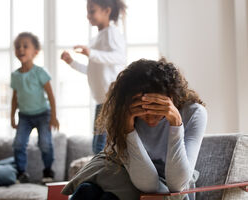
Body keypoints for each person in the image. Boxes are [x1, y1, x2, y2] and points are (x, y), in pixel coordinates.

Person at [61, 58, 208, 200]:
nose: (150, 119)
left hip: (163, 185)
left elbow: (177, 185)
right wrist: (128, 129)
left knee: (107, 196)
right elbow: (146, 181)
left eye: (156, 109)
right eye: (143, 111)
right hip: (125, 172)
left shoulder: (194, 113)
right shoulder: (125, 112)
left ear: (171, 97)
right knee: (88, 191)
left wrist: (176, 125)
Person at [61, 0, 127, 154]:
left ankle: (99, 175)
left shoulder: (112, 32)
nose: (88, 16)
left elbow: (120, 57)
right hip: (101, 100)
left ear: (106, 11)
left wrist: (91, 53)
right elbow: (92, 70)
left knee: (100, 145)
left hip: (112, 98)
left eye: (92, 11)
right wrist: (71, 62)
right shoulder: (96, 39)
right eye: (88, 11)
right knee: (98, 145)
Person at [10, 32, 59, 184]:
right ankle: (21, 173)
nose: (21, 49)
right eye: (18, 47)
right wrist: (12, 116)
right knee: (18, 144)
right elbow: (14, 98)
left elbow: (50, 95)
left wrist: (53, 116)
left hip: (43, 114)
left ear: (35, 52)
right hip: (24, 116)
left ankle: (48, 171)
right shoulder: (15, 76)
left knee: (45, 143)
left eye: (25, 46)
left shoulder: (40, 72)